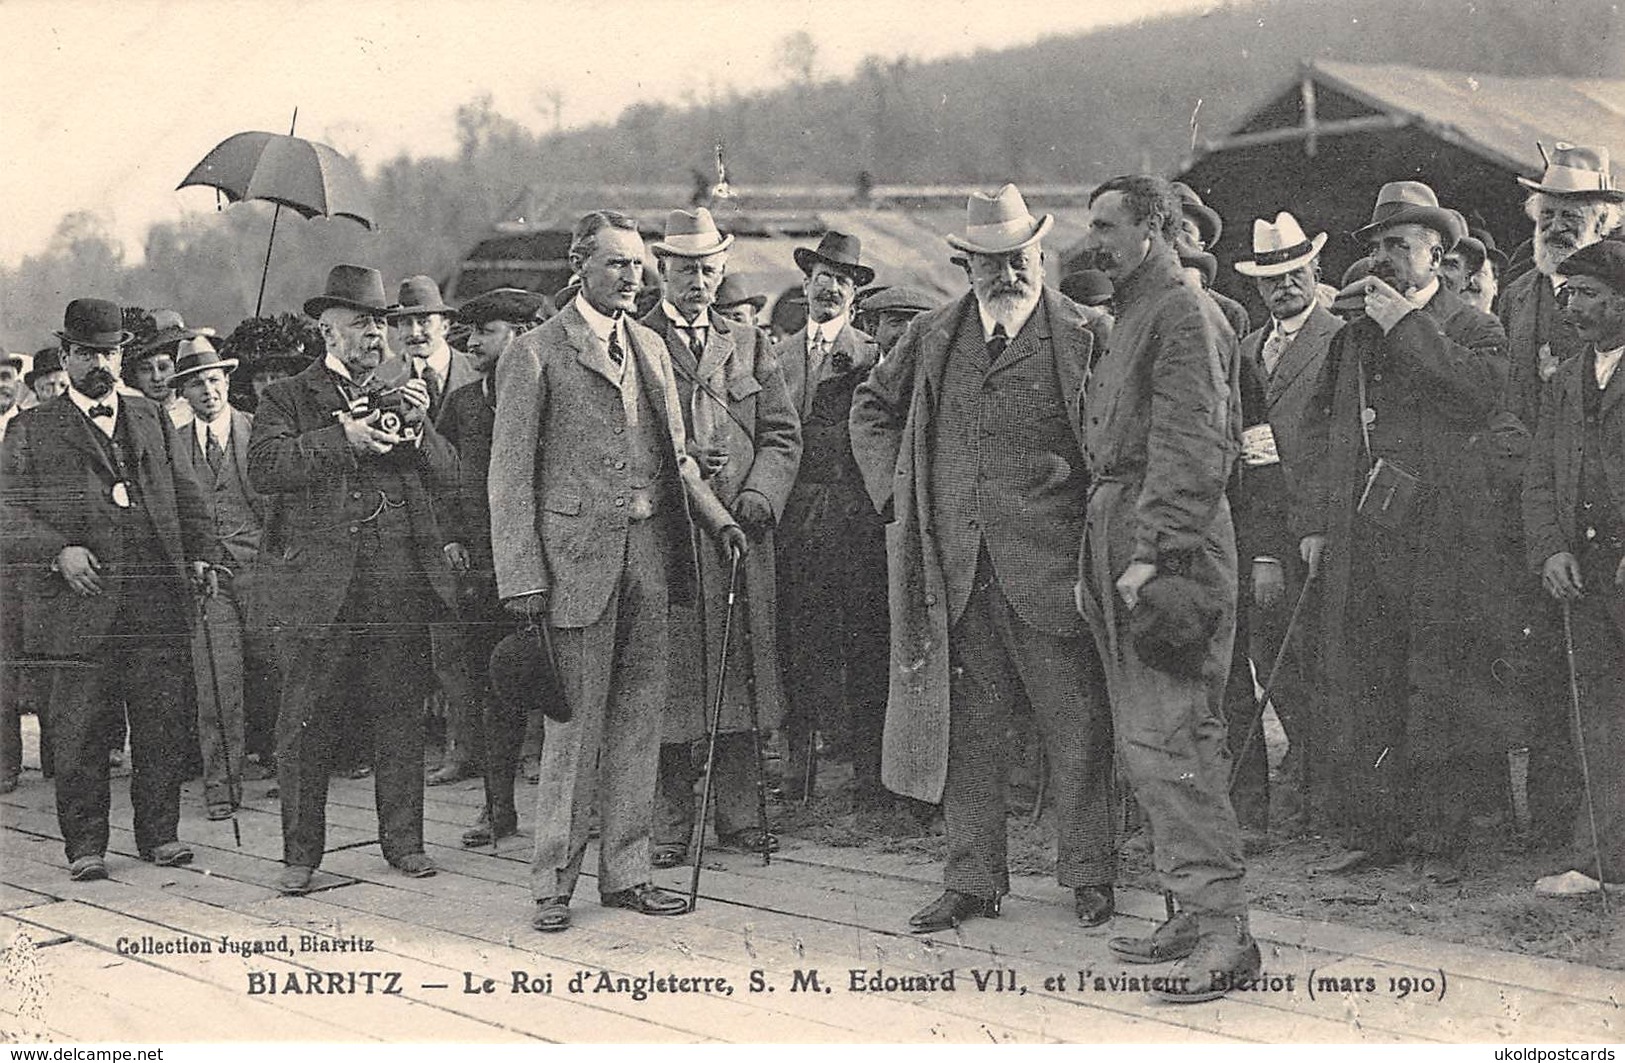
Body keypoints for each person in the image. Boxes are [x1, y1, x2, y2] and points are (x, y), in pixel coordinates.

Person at [851, 185, 1117, 932]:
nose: (1005, 274)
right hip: (957, 571)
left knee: (1075, 725)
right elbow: (871, 406)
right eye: (989, 262)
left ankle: (1090, 871)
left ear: (1040, 255)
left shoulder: (1084, 332)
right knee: (969, 729)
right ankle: (971, 877)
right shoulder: (934, 333)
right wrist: (896, 496)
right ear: (967, 265)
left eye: (1018, 259)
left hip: (1053, 570)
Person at [487, 210, 746, 932]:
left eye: (637, 265)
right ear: (580, 266)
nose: (631, 276)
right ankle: (552, 884)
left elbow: (680, 459)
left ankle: (626, 873)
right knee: (573, 728)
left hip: (651, 554)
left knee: (638, 720)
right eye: (616, 264)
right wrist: (522, 579)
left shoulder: (652, 350)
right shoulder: (535, 353)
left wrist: (717, 520)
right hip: (573, 566)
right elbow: (508, 480)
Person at [1295, 181, 1509, 884]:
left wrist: (1404, 326)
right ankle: (1381, 832)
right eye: (1378, 246)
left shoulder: (1472, 325)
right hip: (1369, 534)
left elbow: (1477, 396)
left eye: (1399, 245)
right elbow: (1327, 430)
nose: (1385, 258)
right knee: (1372, 682)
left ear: (1436, 252)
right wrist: (1321, 526)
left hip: (1444, 540)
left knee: (1441, 683)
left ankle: (1449, 841)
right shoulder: (1353, 334)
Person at [1074, 175, 1256, 1002]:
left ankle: (1225, 932)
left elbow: (1193, 442)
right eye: (1091, 228)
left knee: (1175, 739)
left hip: (1168, 546)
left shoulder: (1181, 309)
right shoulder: (1135, 311)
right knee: (1147, 746)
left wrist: (1151, 555)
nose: (1095, 243)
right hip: (1123, 529)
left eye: (1109, 227)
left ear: (1158, 228)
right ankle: (1188, 908)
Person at [248, 264, 457, 896]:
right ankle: (300, 856)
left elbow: (451, 475)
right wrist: (345, 437)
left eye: (382, 325)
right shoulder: (287, 397)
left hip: (395, 581)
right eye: (364, 324)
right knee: (306, 720)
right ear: (327, 331)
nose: (377, 336)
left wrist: (416, 429)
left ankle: (405, 844)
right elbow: (266, 467)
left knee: (399, 717)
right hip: (320, 590)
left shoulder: (403, 392)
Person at [0, 297, 221, 881]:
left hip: (153, 600)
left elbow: (188, 493)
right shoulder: (31, 429)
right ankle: (86, 847)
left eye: (110, 351)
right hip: (77, 603)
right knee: (78, 731)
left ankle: (160, 835)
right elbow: (8, 512)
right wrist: (57, 552)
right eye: (88, 353)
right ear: (67, 356)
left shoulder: (150, 416)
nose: (101, 363)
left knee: (160, 724)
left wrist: (201, 554)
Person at [639, 207, 801, 866]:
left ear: (721, 270)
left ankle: (740, 814)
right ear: (662, 271)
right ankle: (669, 822)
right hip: (672, 541)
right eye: (684, 269)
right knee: (674, 684)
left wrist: (761, 494)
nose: (697, 280)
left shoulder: (749, 341)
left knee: (741, 674)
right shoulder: (640, 340)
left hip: (742, 537)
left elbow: (783, 434)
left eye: (708, 269)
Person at [1229, 212, 1341, 834]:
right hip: (1257, 528)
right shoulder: (1247, 349)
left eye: (1295, 274)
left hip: (1314, 528)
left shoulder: (1339, 338)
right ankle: (1300, 779)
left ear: (1314, 271)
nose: (1284, 286)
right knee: (1270, 658)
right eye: (1271, 278)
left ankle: (1323, 789)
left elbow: (1337, 447)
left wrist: (1314, 524)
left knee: (1317, 661)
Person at [1520, 237, 1625, 892]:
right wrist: (1551, 547)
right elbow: (1537, 477)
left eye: (1587, 293)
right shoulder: (1564, 381)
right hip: (1584, 577)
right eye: (1567, 293)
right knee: (1598, 720)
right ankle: (1603, 861)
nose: (1573, 306)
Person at [435, 287, 551, 848]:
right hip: (485, 568)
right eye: (470, 333)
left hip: (551, 563)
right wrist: (452, 536)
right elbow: (442, 476)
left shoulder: (552, 391)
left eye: (487, 332)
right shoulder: (461, 403)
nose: (472, 342)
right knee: (492, 688)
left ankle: (578, 809)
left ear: (522, 335)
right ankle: (497, 808)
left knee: (565, 683)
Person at [773, 232, 886, 803]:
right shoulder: (777, 355)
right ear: (806, 282)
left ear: (855, 292)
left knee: (863, 640)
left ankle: (869, 774)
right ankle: (798, 768)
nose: (831, 287)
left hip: (853, 517)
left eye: (844, 279)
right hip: (794, 519)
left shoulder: (872, 355)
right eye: (823, 275)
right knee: (799, 640)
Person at [169, 335, 274, 820]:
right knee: (217, 681)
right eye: (196, 385)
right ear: (183, 394)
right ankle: (220, 787)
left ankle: (291, 772)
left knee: (281, 672)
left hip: (264, 574)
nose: (208, 391)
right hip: (209, 581)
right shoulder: (173, 446)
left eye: (214, 380)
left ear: (227, 382)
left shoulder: (259, 432)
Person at [387, 274, 485, 787]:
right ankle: (459, 747)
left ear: (445, 324)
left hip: (476, 525)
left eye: (424, 320)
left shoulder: (475, 373)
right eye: (405, 323)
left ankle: (499, 748)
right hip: (416, 530)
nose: (416, 331)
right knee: (442, 649)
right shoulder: (385, 379)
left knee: (486, 642)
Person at [1502, 144, 1625, 432]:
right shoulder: (1516, 293)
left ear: (1602, 223)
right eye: (1547, 214)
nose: (1555, 227)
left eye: (1570, 216)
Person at [124, 309, 201, 428]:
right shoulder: (128, 414)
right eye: (145, 369)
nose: (156, 377)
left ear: (177, 368)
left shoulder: (196, 411)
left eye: (163, 367)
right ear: (134, 374)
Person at [857, 285, 938, 355]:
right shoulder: (860, 370)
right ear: (873, 329)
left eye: (917, 324)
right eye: (896, 322)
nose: (907, 331)